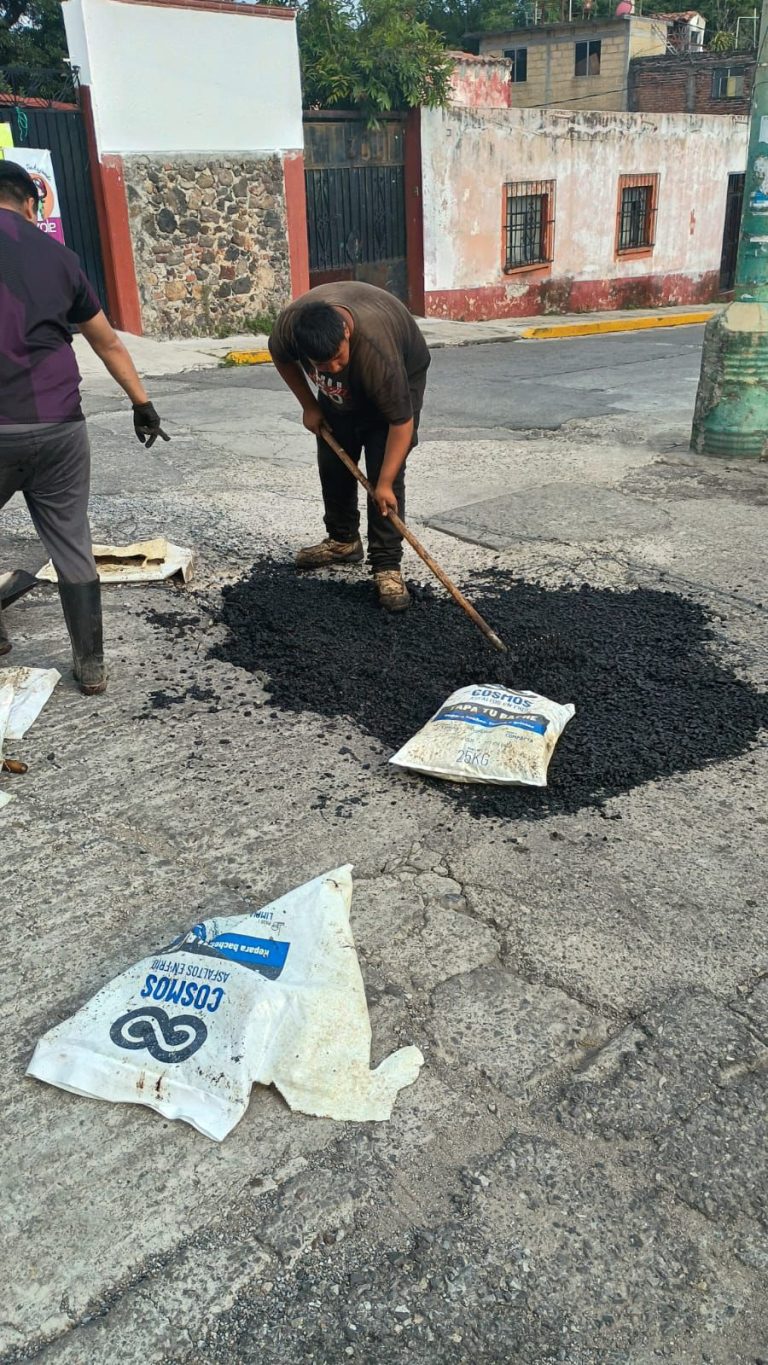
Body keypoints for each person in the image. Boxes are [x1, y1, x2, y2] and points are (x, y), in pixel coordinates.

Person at [0, 159, 168, 692]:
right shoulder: (60, 256)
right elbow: (107, 340)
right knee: (70, 537)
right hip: (59, 426)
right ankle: (91, 665)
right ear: (31, 203)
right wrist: (142, 403)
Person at [268, 282, 431, 612]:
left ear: (345, 332)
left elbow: (401, 423)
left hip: (399, 378)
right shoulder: (289, 330)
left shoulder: (377, 353)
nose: (333, 369)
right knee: (333, 461)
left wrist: (384, 483)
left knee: (384, 472)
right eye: (322, 365)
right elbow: (280, 357)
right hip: (341, 397)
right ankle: (343, 541)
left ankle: (386, 565)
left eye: (337, 359)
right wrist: (309, 405)